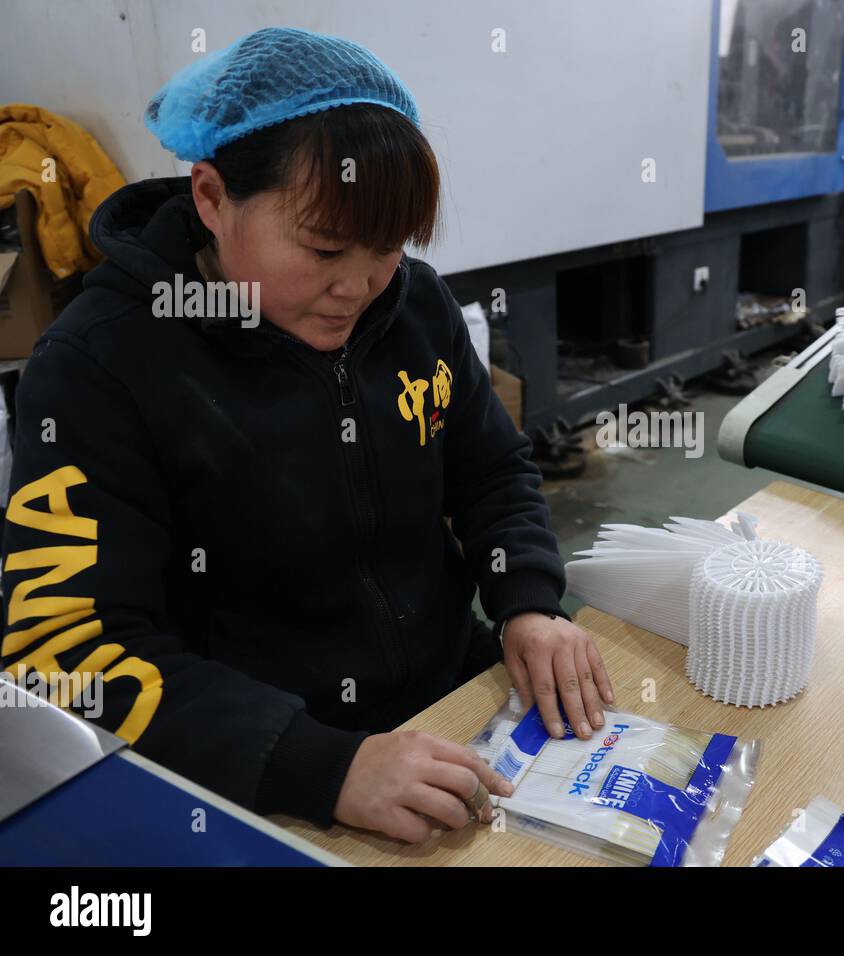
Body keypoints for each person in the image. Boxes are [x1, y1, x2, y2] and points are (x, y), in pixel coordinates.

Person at [0, 27, 613, 845]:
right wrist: (319, 764)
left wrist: (527, 604)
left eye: (388, 248)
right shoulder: (96, 366)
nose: (356, 288)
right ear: (213, 198)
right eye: (323, 248)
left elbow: (492, 472)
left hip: (450, 708)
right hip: (252, 777)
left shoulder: (414, 310)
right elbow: (65, 652)